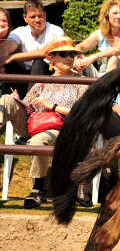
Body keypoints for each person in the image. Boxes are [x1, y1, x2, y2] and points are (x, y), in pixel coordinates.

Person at [0, 37, 88, 208]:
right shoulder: (43, 81)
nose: (69, 58)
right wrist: (18, 100)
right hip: (35, 123)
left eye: (72, 54)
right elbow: (27, 106)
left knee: (39, 140)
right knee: (6, 99)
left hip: (62, 127)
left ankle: (38, 189)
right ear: (52, 58)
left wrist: (52, 106)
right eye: (64, 54)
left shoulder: (81, 82)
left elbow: (82, 114)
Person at [0, 0, 65, 98]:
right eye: (33, 17)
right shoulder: (20, 31)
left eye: (40, 16)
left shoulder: (56, 30)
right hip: (26, 77)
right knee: (9, 63)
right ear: (25, 18)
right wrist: (2, 63)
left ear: (45, 15)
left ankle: (30, 103)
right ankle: (13, 97)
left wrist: (11, 57)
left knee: (38, 62)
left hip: (47, 76)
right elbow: (6, 48)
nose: (37, 20)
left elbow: (44, 53)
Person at [74, 0, 120, 75]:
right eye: (115, 13)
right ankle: (79, 87)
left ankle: (106, 87)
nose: (118, 16)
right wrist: (75, 58)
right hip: (102, 78)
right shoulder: (100, 34)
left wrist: (94, 57)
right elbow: (80, 47)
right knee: (79, 58)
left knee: (113, 57)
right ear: (107, 15)